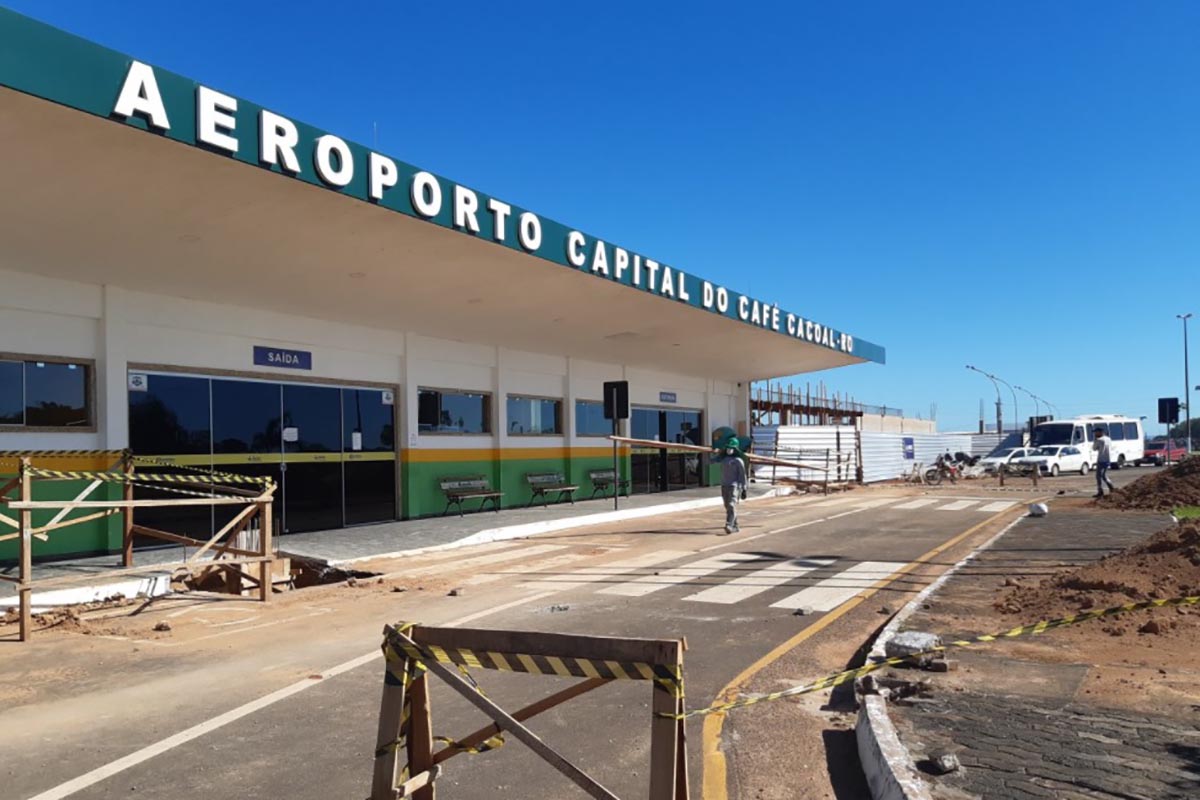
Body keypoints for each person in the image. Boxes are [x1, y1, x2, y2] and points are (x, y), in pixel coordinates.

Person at [720, 446, 748, 534]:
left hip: (735, 486)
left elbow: (743, 475)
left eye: (731, 448)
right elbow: (712, 460)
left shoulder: (738, 461)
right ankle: (735, 525)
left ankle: (729, 525)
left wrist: (744, 488)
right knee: (727, 506)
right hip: (724, 485)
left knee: (731, 504)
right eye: (727, 448)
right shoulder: (724, 459)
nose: (729, 450)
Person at [1093, 426, 1114, 498]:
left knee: (1098, 476)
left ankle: (1100, 491)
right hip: (1108, 459)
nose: (1095, 434)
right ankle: (1111, 488)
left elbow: (1094, 448)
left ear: (1100, 432)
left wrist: (1095, 440)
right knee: (1104, 475)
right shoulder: (1108, 439)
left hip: (1101, 459)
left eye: (1096, 432)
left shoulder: (1099, 440)